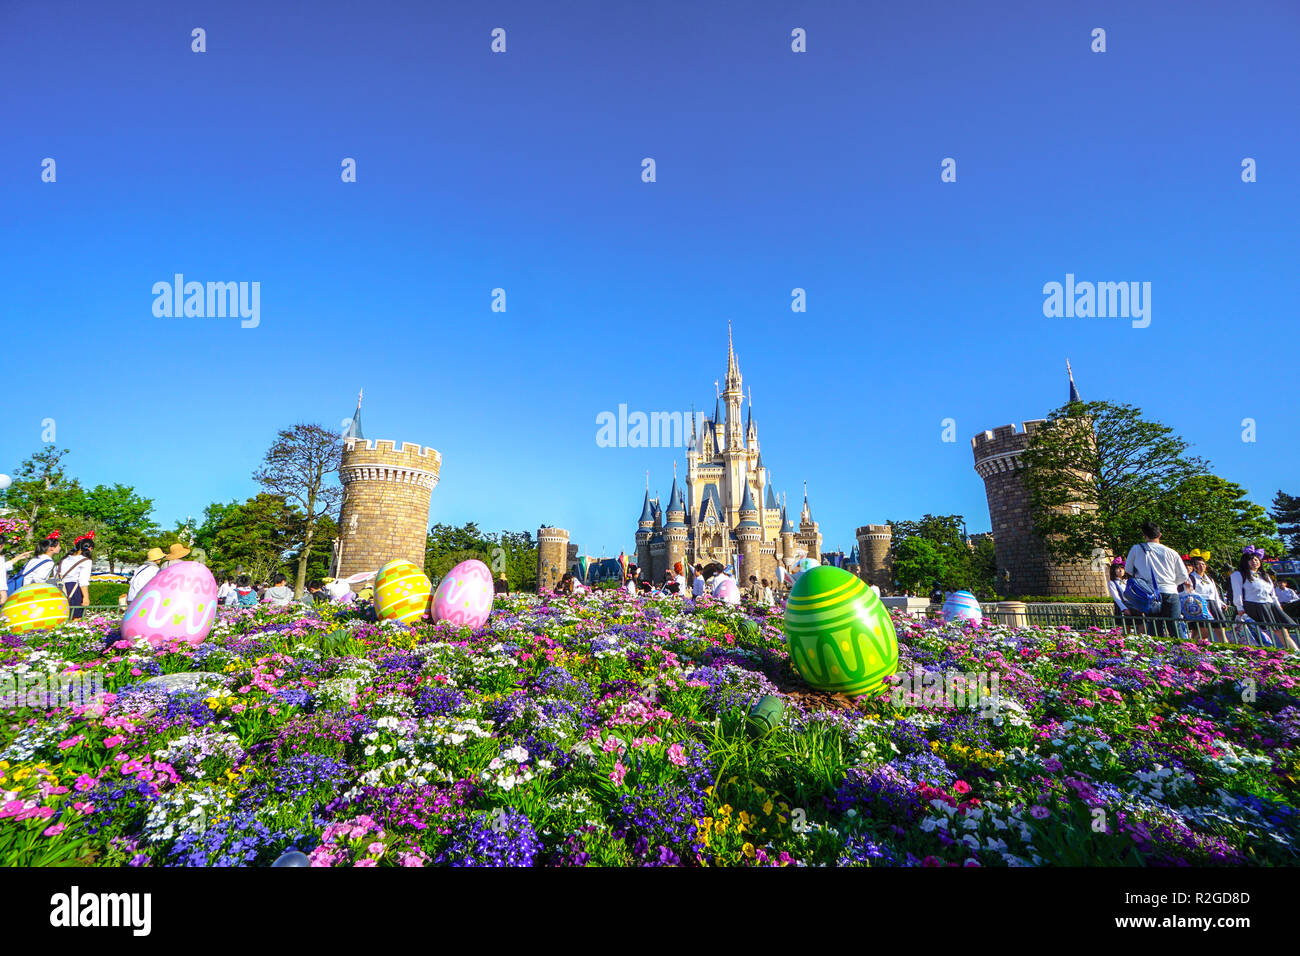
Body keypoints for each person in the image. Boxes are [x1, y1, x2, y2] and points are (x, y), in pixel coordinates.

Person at [1124, 521, 1190, 639]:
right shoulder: (1172, 552)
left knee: (1154, 628)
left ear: (1144, 535)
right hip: (1170, 591)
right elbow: (1183, 575)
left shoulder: (1136, 549)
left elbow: (1128, 569)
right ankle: (1184, 653)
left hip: (1149, 593)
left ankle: (1159, 655)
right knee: (1175, 626)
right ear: (1160, 535)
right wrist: (1172, 584)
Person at [1230, 546, 1297, 650]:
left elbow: (1272, 594)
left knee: (1282, 632)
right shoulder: (1238, 575)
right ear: (1245, 561)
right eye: (1251, 559)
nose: (1254, 562)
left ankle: (1295, 654)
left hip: (1269, 606)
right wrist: (1240, 608)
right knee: (1252, 636)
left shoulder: (1264, 575)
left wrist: (1278, 606)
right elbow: (1237, 593)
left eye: (1256, 559)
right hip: (1251, 606)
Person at [1186, 550, 1227, 642]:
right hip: (1200, 605)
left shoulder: (1209, 578)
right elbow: (1189, 591)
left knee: (1220, 629)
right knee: (1203, 633)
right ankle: (1191, 646)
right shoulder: (1191, 577)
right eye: (1198, 564)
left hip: (1212, 604)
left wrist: (1220, 603)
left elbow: (1214, 593)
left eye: (1203, 564)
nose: (1201, 566)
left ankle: (1224, 648)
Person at [57, 532, 94, 620]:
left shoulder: (64, 559)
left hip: (59, 588)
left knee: (61, 617)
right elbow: (83, 580)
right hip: (74, 589)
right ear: (89, 548)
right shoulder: (85, 561)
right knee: (75, 618)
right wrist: (86, 597)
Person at [1106, 557, 1131, 632]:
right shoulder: (1112, 583)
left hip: (1132, 604)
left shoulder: (1128, 581)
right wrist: (1124, 608)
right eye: (1118, 568)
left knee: (1140, 623)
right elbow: (1116, 597)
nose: (1120, 570)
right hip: (1122, 606)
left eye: (1122, 568)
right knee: (1126, 626)